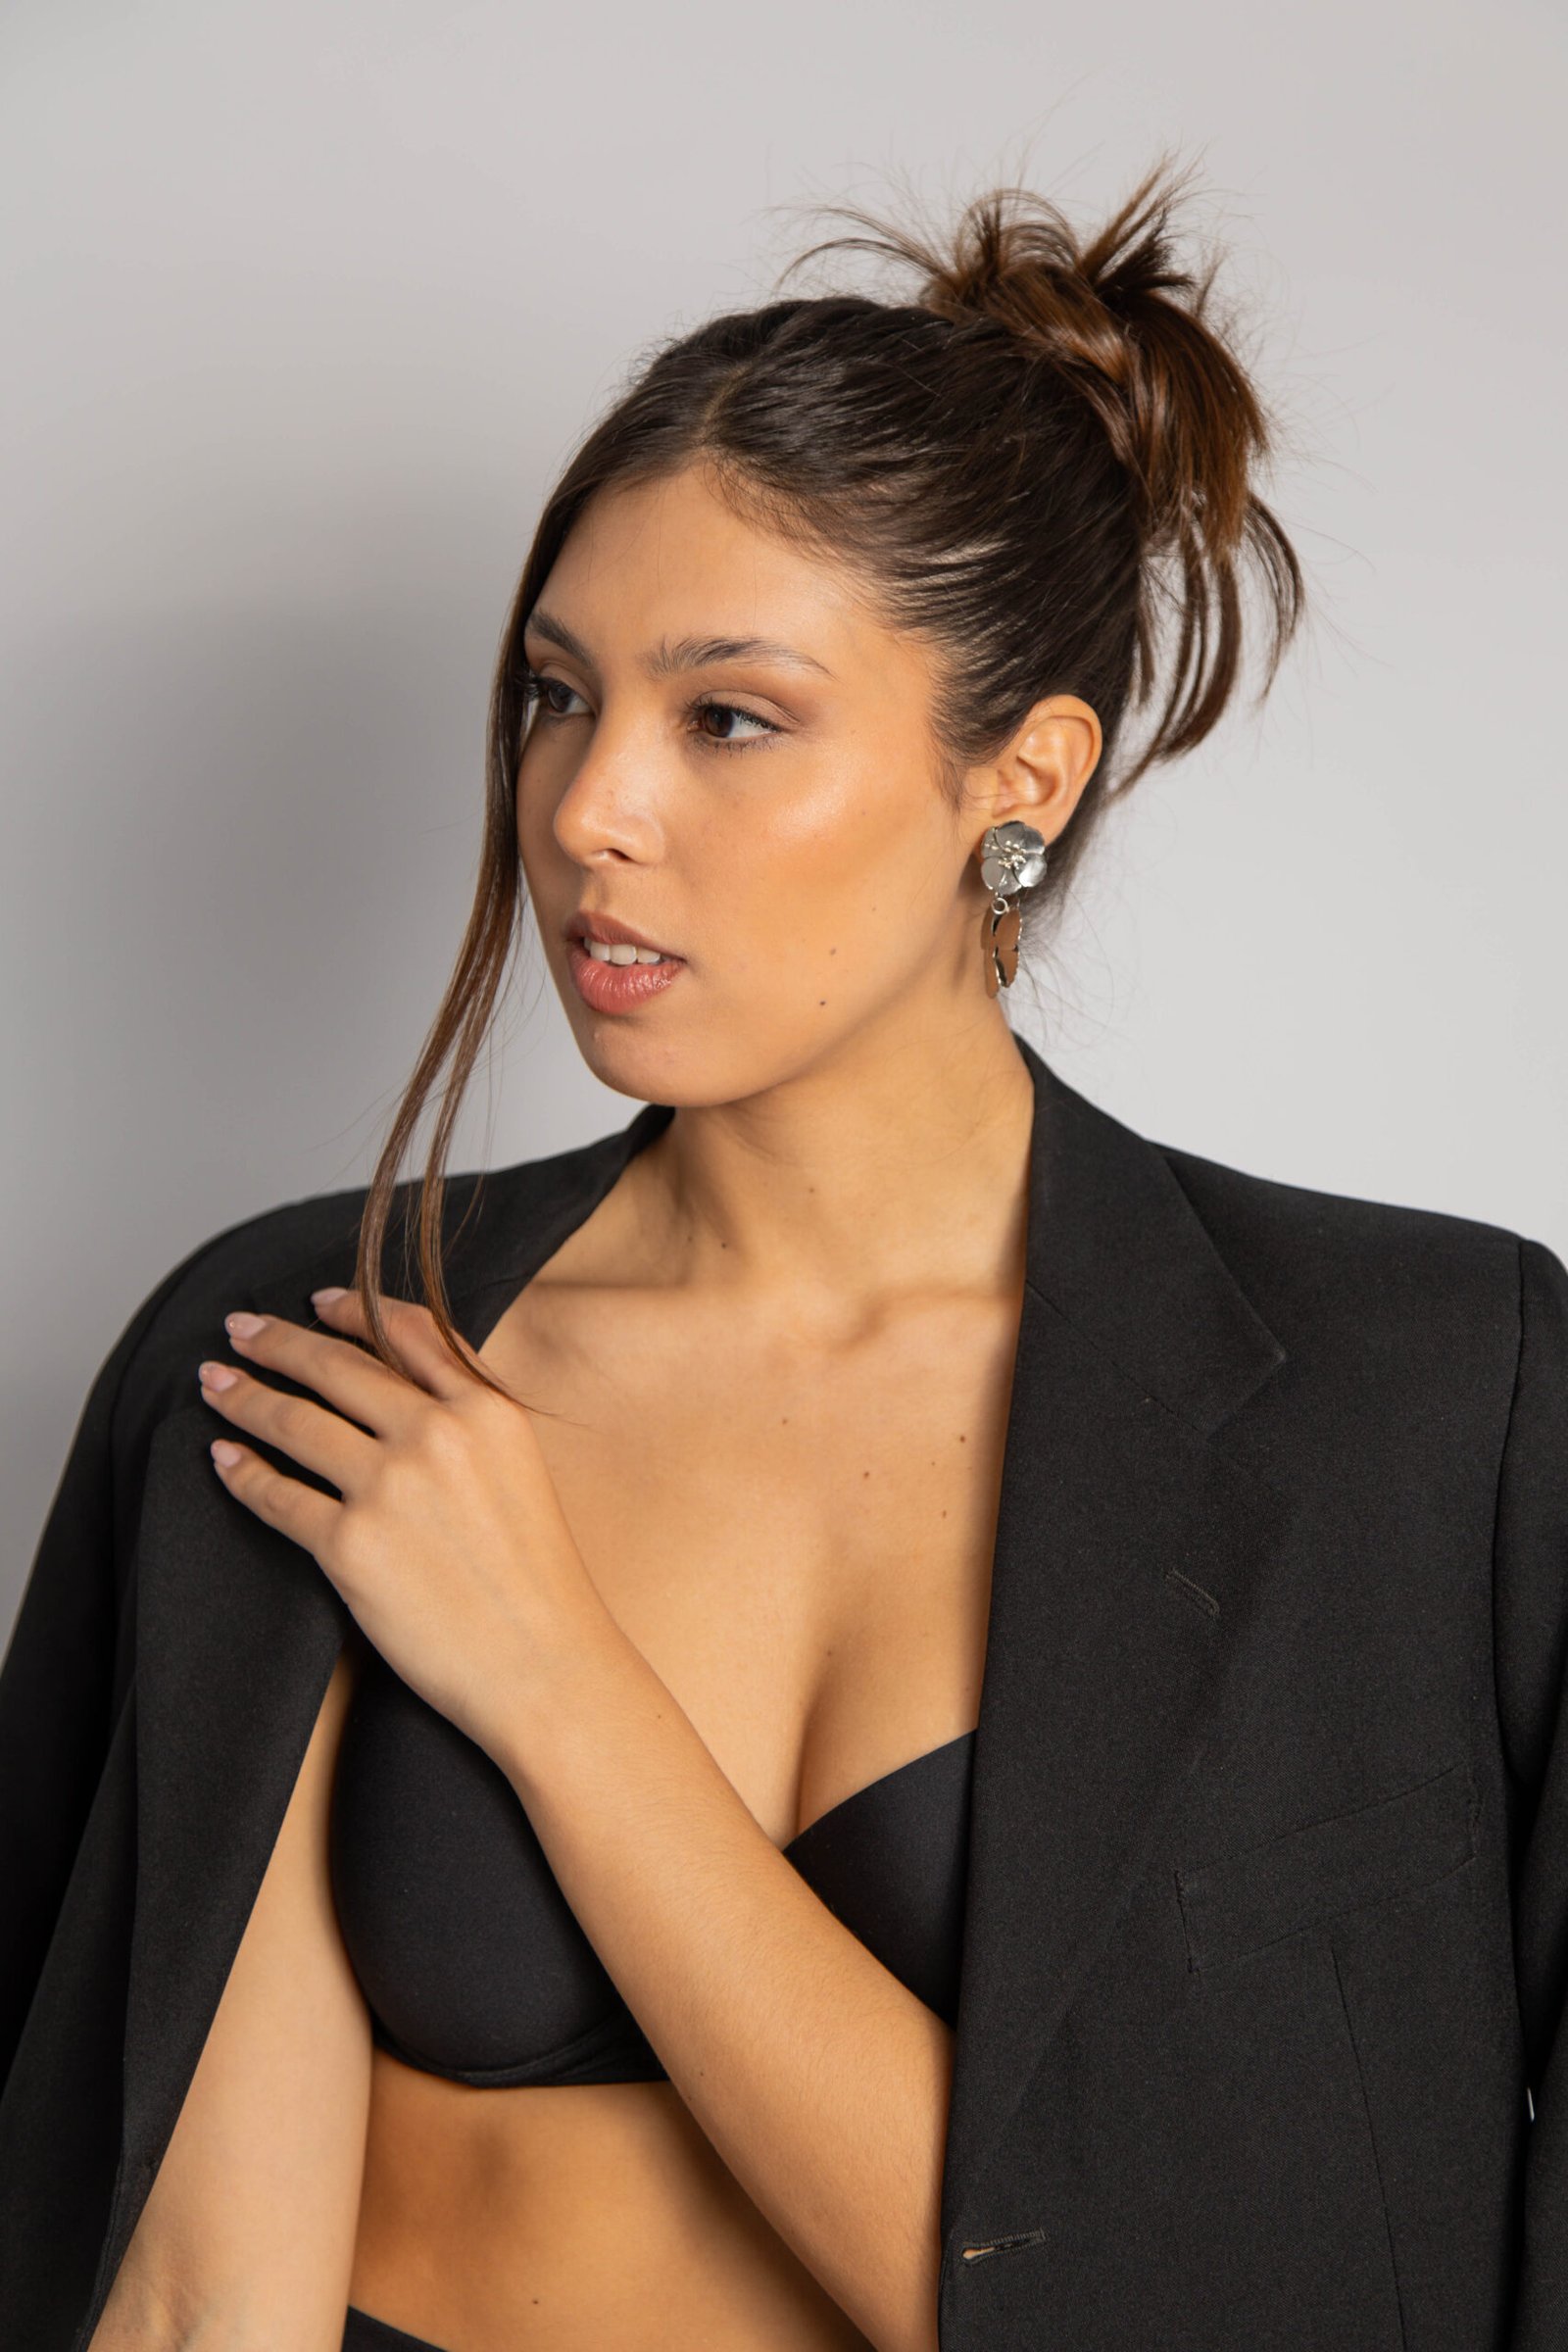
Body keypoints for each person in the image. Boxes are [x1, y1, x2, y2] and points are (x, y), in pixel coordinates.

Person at [2, 155, 1563, 2352]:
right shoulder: (320, 1352)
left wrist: (551, 1680)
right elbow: (191, 2287)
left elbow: (1151, 2273)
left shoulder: (1433, 1399)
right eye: (555, 695)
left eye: (725, 717)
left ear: (1020, 779)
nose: (584, 809)